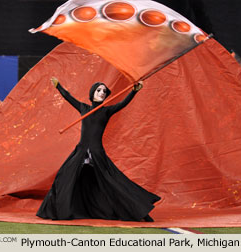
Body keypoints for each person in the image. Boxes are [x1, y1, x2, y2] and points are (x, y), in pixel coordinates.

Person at [37, 77, 160, 222]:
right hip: (81, 152)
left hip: (97, 154)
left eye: (104, 91)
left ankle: (141, 212)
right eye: (99, 90)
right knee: (64, 178)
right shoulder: (83, 108)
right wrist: (59, 86)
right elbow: (69, 98)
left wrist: (134, 91)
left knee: (115, 183)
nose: (102, 93)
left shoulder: (107, 111)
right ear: (92, 93)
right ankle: (60, 212)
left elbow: (122, 104)